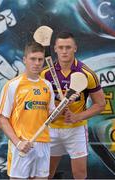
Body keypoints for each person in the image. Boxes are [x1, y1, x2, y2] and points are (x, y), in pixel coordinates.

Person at [41, 32, 106, 179]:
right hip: (51, 128)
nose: (64, 51)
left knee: (80, 175)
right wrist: (51, 110)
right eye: (61, 47)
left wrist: (78, 116)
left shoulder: (87, 73)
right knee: (46, 174)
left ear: (75, 48)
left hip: (76, 130)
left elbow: (100, 104)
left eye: (68, 47)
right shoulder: (44, 74)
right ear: (55, 49)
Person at [0, 41, 56, 179]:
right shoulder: (12, 85)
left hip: (43, 144)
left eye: (40, 59)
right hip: (22, 145)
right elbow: (3, 120)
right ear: (24, 60)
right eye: (33, 59)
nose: (37, 63)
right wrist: (18, 143)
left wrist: (65, 104)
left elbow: (51, 116)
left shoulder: (47, 85)